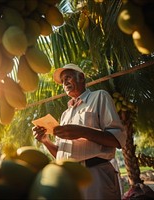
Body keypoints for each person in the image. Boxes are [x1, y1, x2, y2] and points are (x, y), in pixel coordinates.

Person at [32, 63, 126, 199]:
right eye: (63, 81)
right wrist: (44, 140)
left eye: (68, 77)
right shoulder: (65, 114)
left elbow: (117, 140)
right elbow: (61, 154)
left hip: (95, 176)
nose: (65, 83)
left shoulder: (99, 97)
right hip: (69, 179)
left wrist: (82, 132)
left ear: (81, 77)